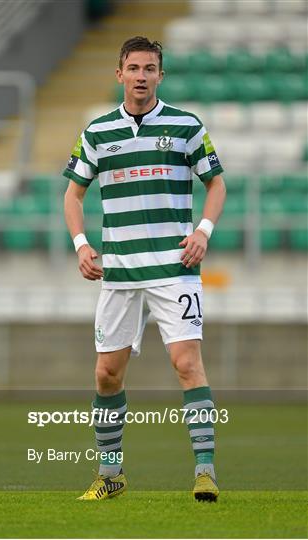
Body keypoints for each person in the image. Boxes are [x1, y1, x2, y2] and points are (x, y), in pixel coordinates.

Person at [63, 36, 226, 502]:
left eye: (149, 68)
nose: (140, 75)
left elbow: (216, 185)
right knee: (106, 375)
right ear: (119, 74)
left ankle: (205, 471)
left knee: (186, 363)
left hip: (174, 268)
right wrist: (81, 244)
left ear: (160, 75)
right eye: (133, 68)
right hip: (119, 272)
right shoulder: (96, 132)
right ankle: (110, 474)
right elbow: (72, 195)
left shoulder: (185, 126)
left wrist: (203, 231)